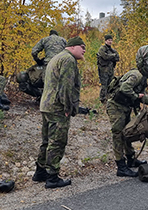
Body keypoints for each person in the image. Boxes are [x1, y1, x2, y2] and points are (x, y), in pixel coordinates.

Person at [32, 36, 86, 188]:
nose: (84, 50)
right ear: (73, 46)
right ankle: (52, 177)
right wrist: (67, 108)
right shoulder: (68, 60)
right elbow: (66, 87)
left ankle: (40, 172)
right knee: (58, 141)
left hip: (46, 105)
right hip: (57, 107)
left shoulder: (56, 58)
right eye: (82, 47)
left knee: (47, 140)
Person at [106, 69, 148, 177]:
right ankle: (121, 166)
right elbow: (124, 88)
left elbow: (142, 96)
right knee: (118, 134)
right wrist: (136, 96)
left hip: (125, 107)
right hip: (115, 107)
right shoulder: (137, 75)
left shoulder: (142, 78)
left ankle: (131, 159)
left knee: (128, 132)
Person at [97, 34, 120, 103]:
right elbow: (105, 56)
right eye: (108, 40)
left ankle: (109, 98)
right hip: (103, 70)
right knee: (104, 85)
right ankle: (103, 99)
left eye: (111, 40)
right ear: (105, 41)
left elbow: (117, 57)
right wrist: (113, 56)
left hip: (110, 70)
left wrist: (112, 56)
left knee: (111, 84)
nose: (110, 42)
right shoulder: (102, 49)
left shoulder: (112, 49)